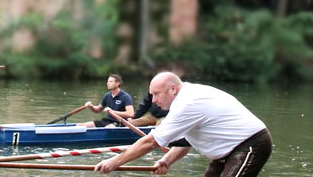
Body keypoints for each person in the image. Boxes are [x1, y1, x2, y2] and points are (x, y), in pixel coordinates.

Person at [95, 72, 273, 176]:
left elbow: (151, 142)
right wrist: (166, 160)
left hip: (250, 144)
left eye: (156, 94)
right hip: (225, 152)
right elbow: (187, 141)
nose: (153, 101)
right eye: (152, 95)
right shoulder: (185, 99)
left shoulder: (187, 103)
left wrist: (114, 162)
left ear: (172, 89)